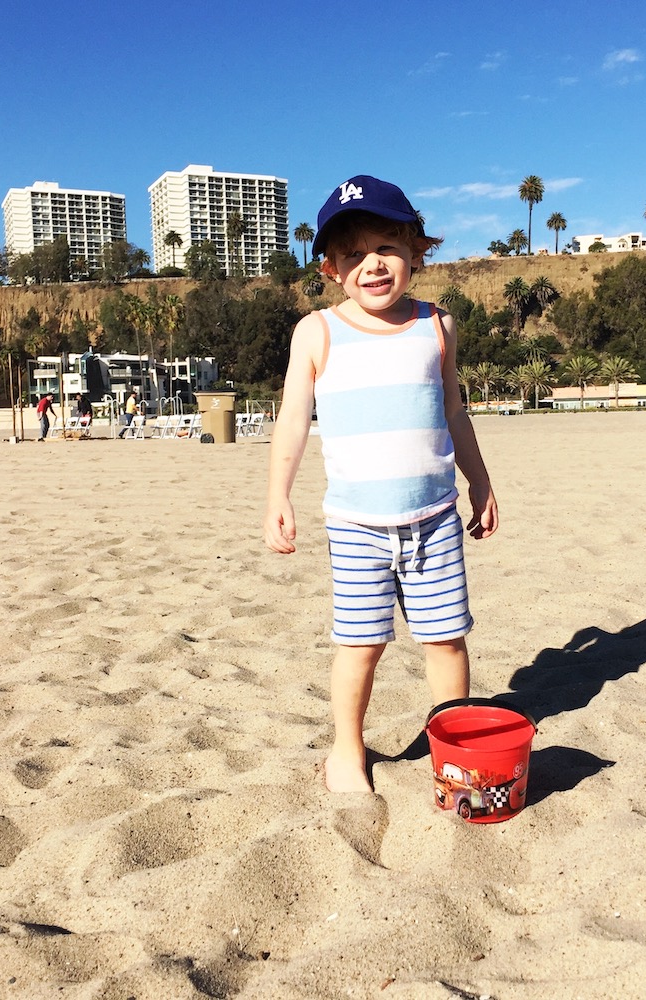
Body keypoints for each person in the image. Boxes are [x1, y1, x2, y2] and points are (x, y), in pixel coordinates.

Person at [263, 175, 498, 793]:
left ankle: (454, 745)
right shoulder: (317, 331)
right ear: (331, 267)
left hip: (434, 519)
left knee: (446, 640)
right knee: (361, 646)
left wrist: (480, 481)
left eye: (388, 248)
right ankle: (348, 750)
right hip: (357, 525)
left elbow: (454, 411)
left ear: (417, 252)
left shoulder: (437, 325)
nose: (372, 265)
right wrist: (276, 498)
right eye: (354, 254)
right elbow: (292, 419)